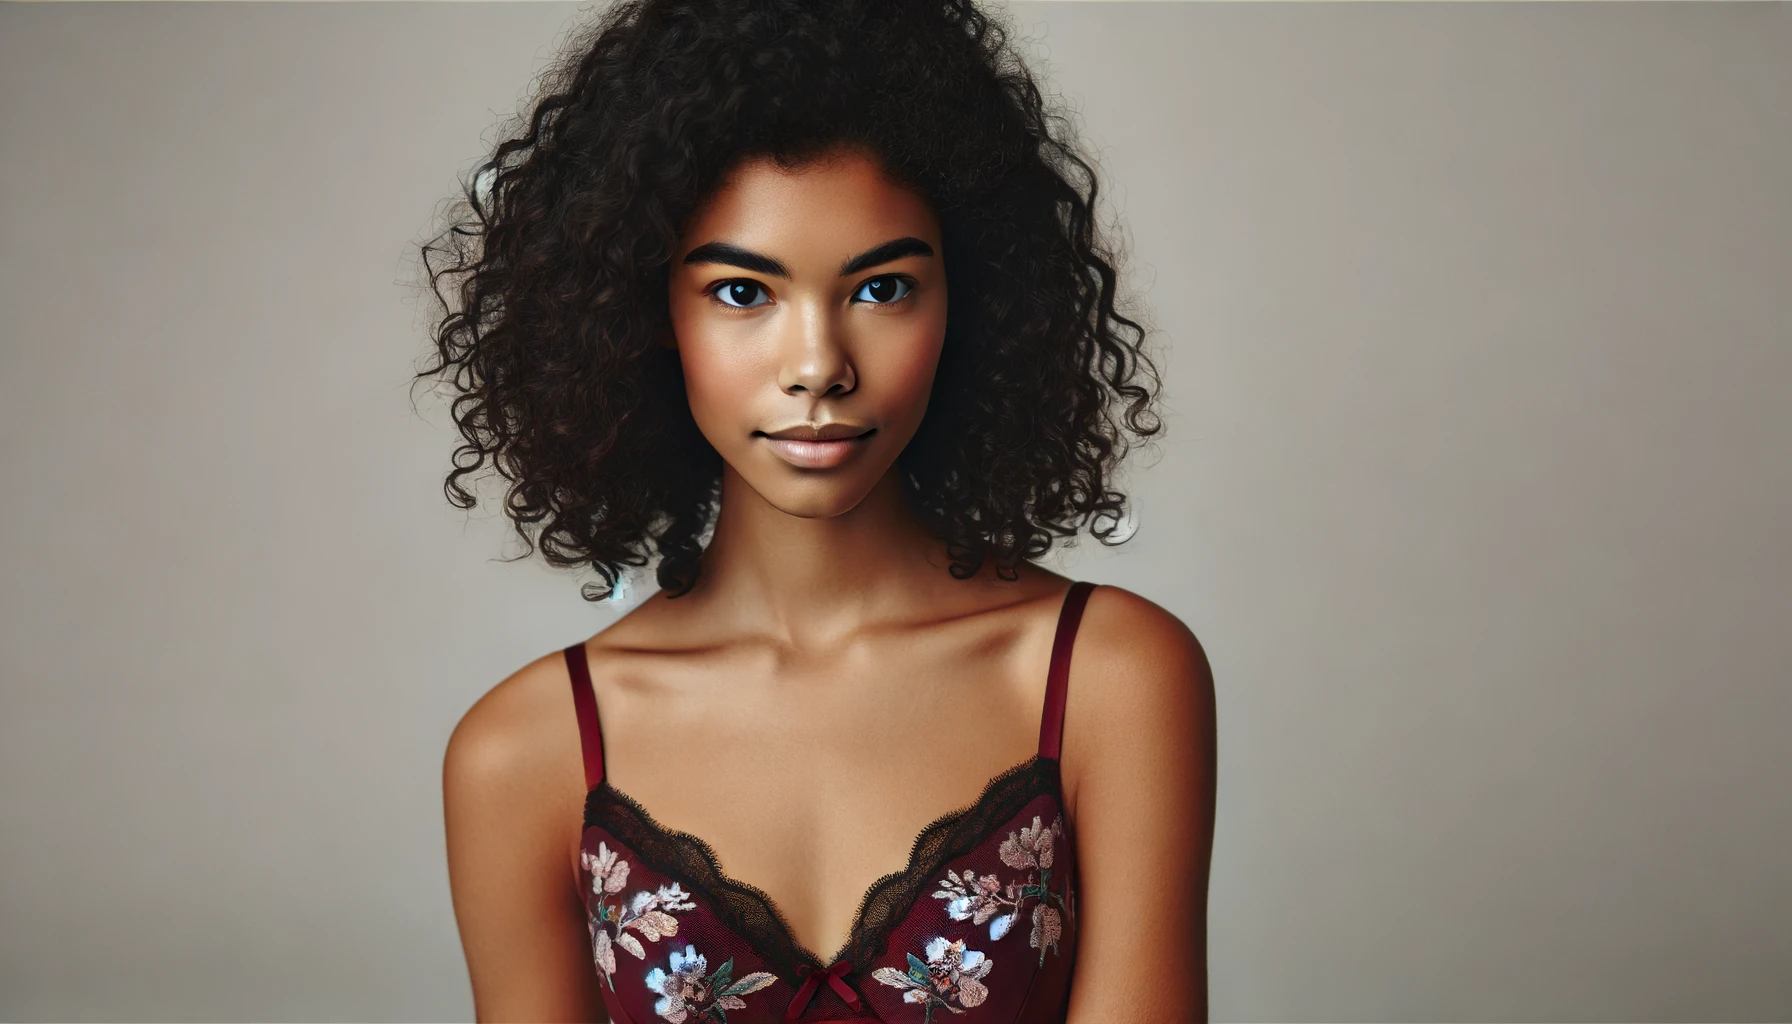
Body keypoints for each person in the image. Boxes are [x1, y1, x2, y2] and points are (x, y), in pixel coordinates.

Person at [419, 0, 1216, 1020]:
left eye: (881, 288)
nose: (819, 368)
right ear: (644, 312)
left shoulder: (1109, 678)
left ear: (965, 302)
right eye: (743, 294)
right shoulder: (525, 754)